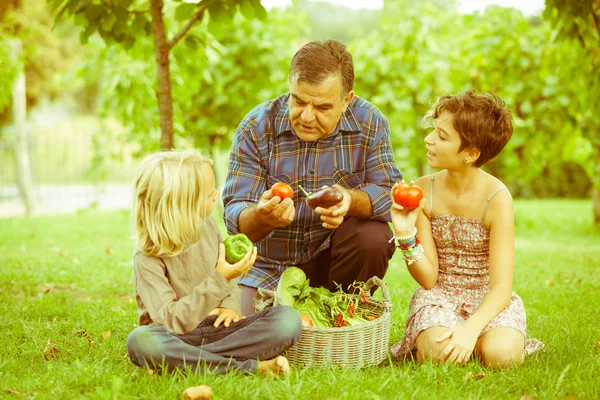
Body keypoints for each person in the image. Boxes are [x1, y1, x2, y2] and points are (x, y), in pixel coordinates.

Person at [222, 39, 403, 315]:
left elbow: (390, 194)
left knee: (374, 236)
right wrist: (261, 216)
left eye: (322, 107)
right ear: (290, 87)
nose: (306, 116)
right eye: (299, 100)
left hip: (334, 264)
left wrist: (349, 200)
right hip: (270, 266)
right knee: (246, 329)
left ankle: (345, 309)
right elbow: (235, 216)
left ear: (346, 101)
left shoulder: (370, 122)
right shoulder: (256, 127)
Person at [389, 90, 544, 369]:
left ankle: (481, 341)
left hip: (488, 300)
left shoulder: (497, 198)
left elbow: (501, 288)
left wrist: (471, 329)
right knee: (436, 356)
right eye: (433, 131)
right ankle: (456, 340)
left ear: (471, 153)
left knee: (502, 356)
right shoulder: (424, 190)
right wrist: (404, 234)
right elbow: (428, 278)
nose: (429, 139)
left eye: (442, 136)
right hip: (440, 296)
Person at [125, 150, 301, 376]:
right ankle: (248, 368)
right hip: (176, 335)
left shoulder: (207, 226)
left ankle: (181, 362)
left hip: (219, 329)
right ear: (181, 205)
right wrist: (220, 278)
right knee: (142, 341)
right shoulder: (147, 258)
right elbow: (170, 321)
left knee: (287, 320)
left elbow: (228, 275)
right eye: (208, 194)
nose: (217, 194)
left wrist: (229, 305)